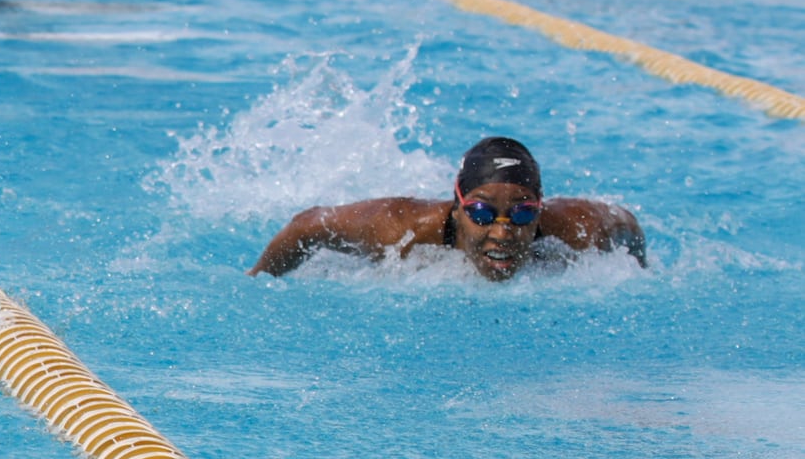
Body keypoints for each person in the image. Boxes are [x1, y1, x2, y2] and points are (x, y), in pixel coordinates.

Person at [249, 136, 646, 281]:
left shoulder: (579, 230)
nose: (503, 231)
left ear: (540, 211)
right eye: (482, 213)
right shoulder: (400, 231)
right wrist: (258, 281)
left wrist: (640, 271)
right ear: (457, 208)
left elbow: (627, 225)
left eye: (523, 213)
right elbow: (305, 226)